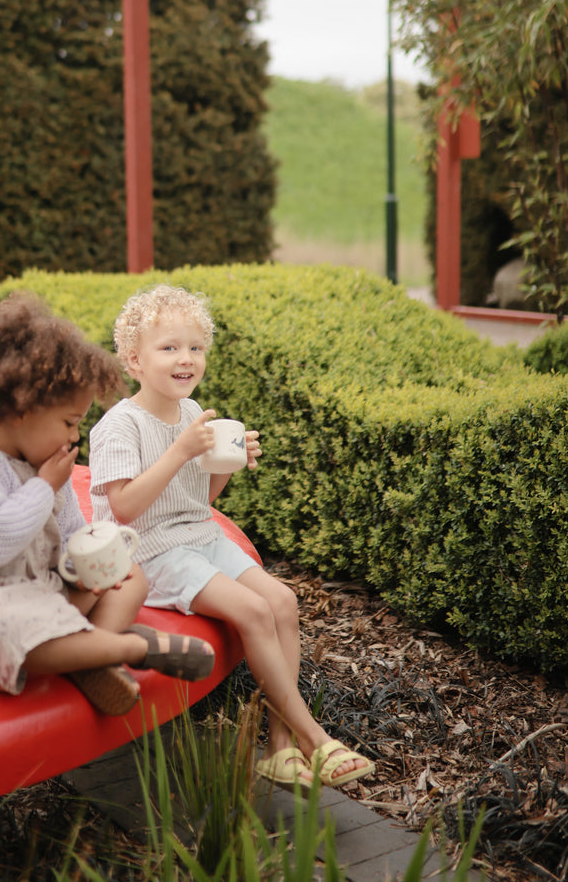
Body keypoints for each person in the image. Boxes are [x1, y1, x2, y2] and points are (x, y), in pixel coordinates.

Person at [88, 284, 375, 786]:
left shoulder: (191, 412)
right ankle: (316, 740)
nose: (187, 358)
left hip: (196, 535)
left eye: (196, 347)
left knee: (282, 601)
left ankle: (279, 748)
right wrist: (180, 452)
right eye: (170, 348)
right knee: (254, 610)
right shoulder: (120, 425)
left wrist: (227, 464)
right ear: (134, 360)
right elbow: (125, 508)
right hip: (149, 552)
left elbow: (199, 501)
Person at [0, 293, 216, 717]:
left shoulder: (44, 460)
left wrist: (87, 567)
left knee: (129, 575)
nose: (74, 436)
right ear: (21, 410)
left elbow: (73, 531)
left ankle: (86, 657)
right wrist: (42, 487)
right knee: (5, 625)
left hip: (43, 593)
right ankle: (129, 647)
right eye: (69, 423)